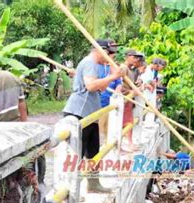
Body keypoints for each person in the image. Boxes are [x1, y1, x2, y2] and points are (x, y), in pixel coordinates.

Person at [62, 39, 126, 193]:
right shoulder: (89, 62)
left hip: (90, 113)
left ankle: (93, 183)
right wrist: (113, 77)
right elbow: (90, 86)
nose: (111, 56)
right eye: (109, 53)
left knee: (93, 151)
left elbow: (101, 88)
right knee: (77, 152)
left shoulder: (97, 65)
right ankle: (72, 190)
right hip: (79, 112)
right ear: (100, 50)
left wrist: (113, 73)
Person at [120, 49, 145, 152]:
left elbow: (133, 84)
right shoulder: (123, 68)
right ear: (127, 56)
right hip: (124, 99)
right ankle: (122, 144)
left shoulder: (132, 70)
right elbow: (119, 87)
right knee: (122, 123)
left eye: (137, 58)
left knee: (129, 122)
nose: (136, 60)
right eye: (134, 57)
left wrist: (138, 83)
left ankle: (130, 143)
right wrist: (132, 91)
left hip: (130, 100)